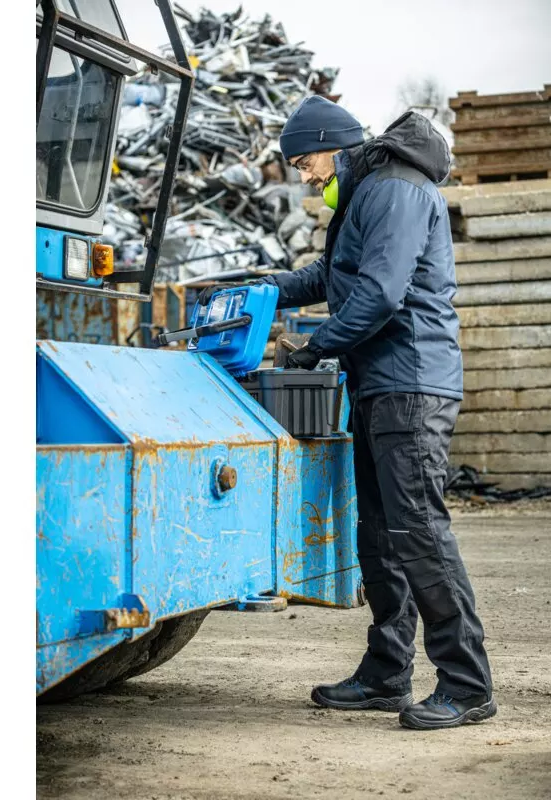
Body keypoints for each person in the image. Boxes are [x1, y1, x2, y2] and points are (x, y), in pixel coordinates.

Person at [205, 96, 495, 730]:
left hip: (411, 383)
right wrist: (268, 287)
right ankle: (387, 673)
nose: (305, 176)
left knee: (419, 533)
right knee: (379, 535)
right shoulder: (366, 191)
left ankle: (468, 684)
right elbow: (332, 276)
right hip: (379, 384)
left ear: (329, 144)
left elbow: (381, 293)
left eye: (304, 162)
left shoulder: (393, 188)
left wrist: (317, 346)